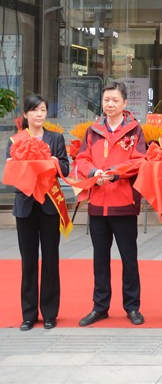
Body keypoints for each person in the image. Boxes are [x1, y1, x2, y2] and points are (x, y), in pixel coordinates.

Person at [76, 81, 147, 327]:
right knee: (100, 259)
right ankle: (100, 306)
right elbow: (81, 159)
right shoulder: (92, 130)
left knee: (129, 258)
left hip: (124, 203)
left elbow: (140, 160)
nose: (110, 104)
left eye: (115, 100)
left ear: (125, 103)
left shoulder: (134, 130)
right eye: (106, 100)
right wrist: (93, 172)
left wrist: (117, 172)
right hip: (98, 203)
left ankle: (132, 307)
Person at [7, 94, 70, 330]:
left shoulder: (55, 138)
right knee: (29, 261)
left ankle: (50, 312)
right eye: (34, 110)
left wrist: (54, 162)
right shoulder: (15, 140)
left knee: (51, 259)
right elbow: (11, 171)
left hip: (49, 206)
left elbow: (65, 167)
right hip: (25, 207)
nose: (39, 114)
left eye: (42, 110)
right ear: (25, 114)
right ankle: (29, 314)